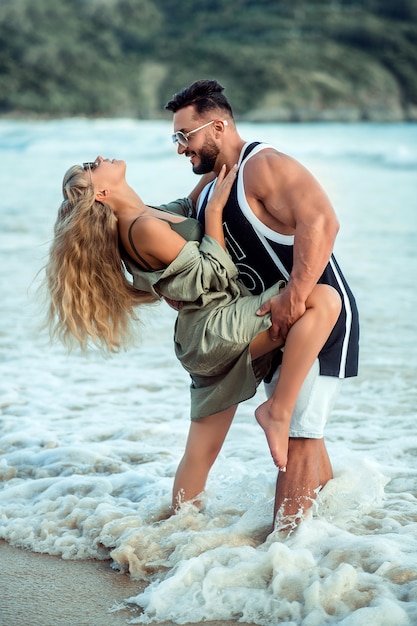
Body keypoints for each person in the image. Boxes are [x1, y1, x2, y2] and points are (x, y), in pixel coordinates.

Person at [44, 156, 341, 521]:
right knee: (324, 299)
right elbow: (215, 273)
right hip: (213, 329)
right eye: (92, 165)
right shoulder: (139, 228)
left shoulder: (145, 213)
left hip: (203, 334)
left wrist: (222, 162)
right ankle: (277, 411)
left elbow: (187, 208)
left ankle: (176, 534)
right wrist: (215, 212)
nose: (102, 158)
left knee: (201, 452)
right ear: (102, 193)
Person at [165, 79, 359, 530]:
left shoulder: (263, 166)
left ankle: (284, 558)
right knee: (303, 442)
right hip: (274, 324)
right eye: (176, 138)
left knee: (299, 436)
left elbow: (322, 220)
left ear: (218, 126)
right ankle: (333, 544)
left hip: (315, 316)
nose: (180, 148)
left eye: (184, 136)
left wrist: (294, 293)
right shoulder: (211, 191)